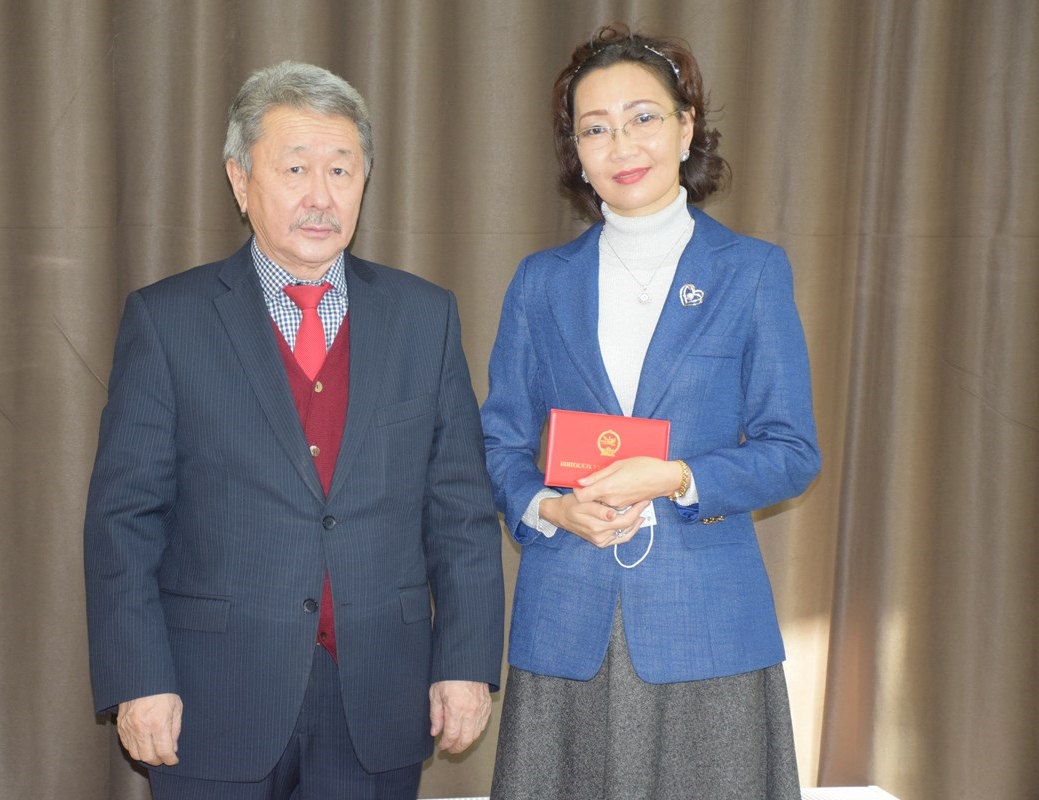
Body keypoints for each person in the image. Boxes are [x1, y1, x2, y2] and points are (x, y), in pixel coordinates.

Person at [84, 60, 504, 800]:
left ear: (365, 180)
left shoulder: (423, 317)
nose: (321, 195)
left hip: (379, 694)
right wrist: (139, 678)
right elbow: (125, 520)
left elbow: (461, 512)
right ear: (240, 180)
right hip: (212, 696)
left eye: (341, 169)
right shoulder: (168, 320)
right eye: (295, 168)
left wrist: (465, 663)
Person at [481, 23, 821, 800]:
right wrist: (549, 508)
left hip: (708, 627)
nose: (622, 144)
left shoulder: (751, 272)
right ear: (576, 150)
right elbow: (498, 441)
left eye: (643, 117)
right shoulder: (540, 282)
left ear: (686, 127)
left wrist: (676, 477)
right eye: (595, 128)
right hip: (567, 621)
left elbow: (792, 450)